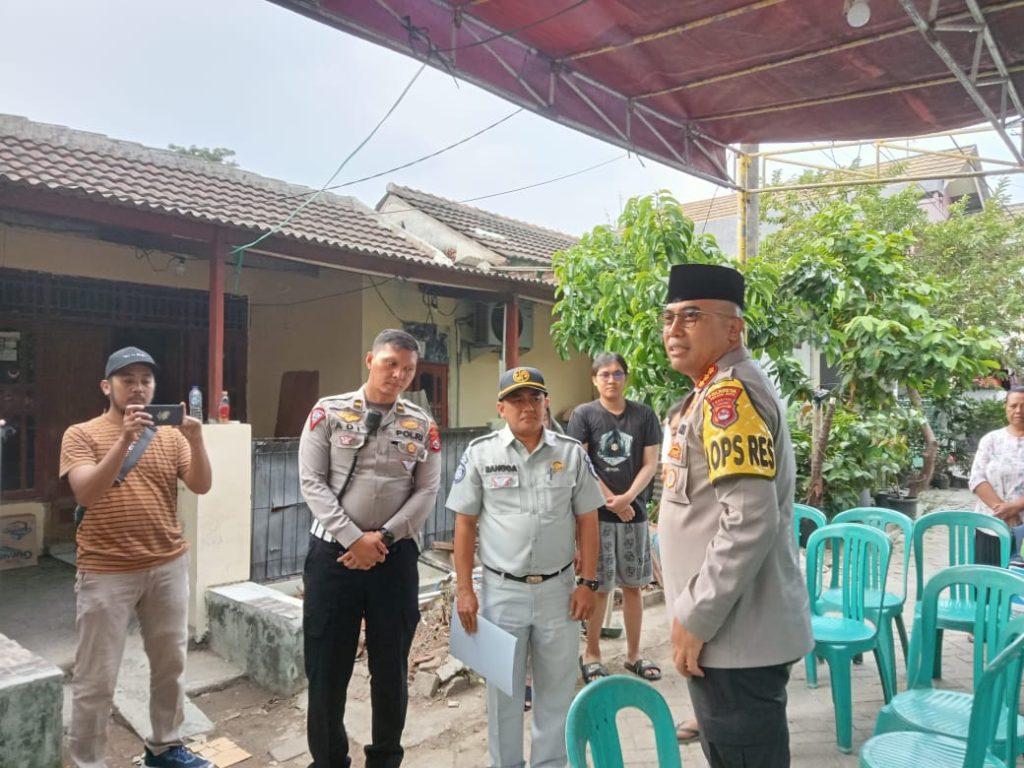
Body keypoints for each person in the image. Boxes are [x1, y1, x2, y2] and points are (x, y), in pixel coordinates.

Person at [658, 263, 813, 768]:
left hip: (732, 635)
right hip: (725, 635)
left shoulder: (730, 395)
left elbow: (749, 520)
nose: (674, 329)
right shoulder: (710, 389)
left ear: (733, 329)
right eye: (668, 317)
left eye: (691, 316)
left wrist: (696, 615)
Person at [59, 347, 213, 768]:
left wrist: (196, 439)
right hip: (105, 570)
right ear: (106, 387)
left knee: (170, 666)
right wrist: (125, 439)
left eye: (146, 380)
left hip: (167, 565)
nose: (138, 387)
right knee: (95, 676)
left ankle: (165, 747)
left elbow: (201, 485)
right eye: (127, 380)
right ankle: (89, 760)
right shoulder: (81, 434)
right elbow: (86, 492)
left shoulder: (170, 436)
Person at [298, 328, 441, 768]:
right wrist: (353, 539)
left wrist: (383, 539)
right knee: (327, 668)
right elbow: (311, 482)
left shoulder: (422, 424)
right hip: (334, 559)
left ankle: (385, 759)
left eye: (408, 369)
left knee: (391, 669)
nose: (398, 375)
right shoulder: (328, 412)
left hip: (393, 559)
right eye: (390, 364)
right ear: (370, 360)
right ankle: (328, 760)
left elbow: (427, 490)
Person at [448, 366, 603, 768]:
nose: (527, 407)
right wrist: (465, 590)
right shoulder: (481, 453)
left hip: (559, 592)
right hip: (501, 593)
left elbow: (588, 520)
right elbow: (464, 524)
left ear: (546, 403)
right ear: (501, 408)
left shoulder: (571, 453)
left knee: (556, 690)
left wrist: (587, 582)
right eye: (516, 400)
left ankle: (550, 763)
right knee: (503, 692)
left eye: (535, 398)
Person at [567, 353, 662, 684]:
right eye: (604, 374)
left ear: (626, 378)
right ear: (594, 380)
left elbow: (651, 463)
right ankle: (592, 654)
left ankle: (634, 655)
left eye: (617, 374)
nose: (611, 380)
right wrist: (611, 499)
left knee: (634, 587)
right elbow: (581, 463)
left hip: (634, 514)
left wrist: (628, 498)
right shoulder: (584, 414)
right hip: (596, 518)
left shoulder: (644, 415)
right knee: (599, 587)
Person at [969, 385, 1024, 563]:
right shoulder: (991, 440)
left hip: (1022, 529)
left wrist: (1016, 507)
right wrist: (1005, 510)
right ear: (1005, 407)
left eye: (1023, 406)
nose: (1018, 411)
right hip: (990, 525)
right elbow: (977, 478)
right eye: (1013, 405)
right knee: (988, 577)